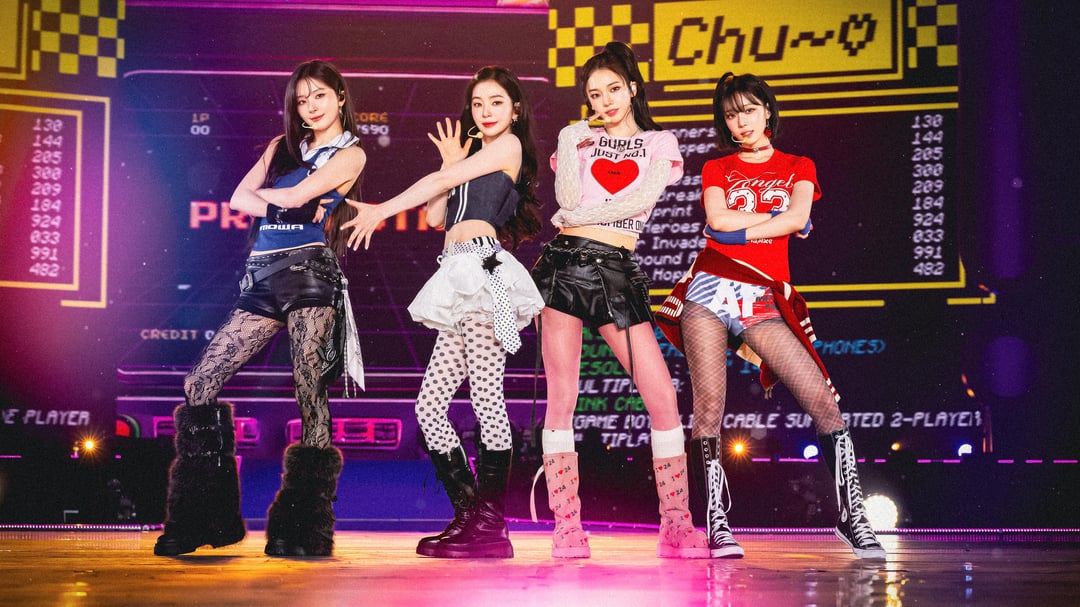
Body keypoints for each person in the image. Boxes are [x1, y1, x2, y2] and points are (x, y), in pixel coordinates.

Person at [655, 72, 887, 560]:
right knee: (709, 407)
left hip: (762, 297)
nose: (740, 121)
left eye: (748, 110)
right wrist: (775, 224)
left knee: (823, 401)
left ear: (767, 110)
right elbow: (719, 221)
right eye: (730, 114)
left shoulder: (799, 164)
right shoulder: (717, 166)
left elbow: (792, 218)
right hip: (708, 289)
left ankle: (853, 518)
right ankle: (718, 524)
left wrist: (746, 230)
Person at [154, 60, 366, 558]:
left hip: (310, 274)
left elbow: (294, 195)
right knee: (200, 382)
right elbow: (237, 198)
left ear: (339, 96)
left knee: (309, 388)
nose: (310, 107)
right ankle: (203, 519)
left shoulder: (350, 153)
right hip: (263, 277)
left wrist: (276, 200)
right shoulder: (280, 147)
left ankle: (304, 530)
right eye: (301, 100)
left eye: (319, 96)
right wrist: (285, 204)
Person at [341, 66, 544, 558]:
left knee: (486, 398)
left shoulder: (509, 146)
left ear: (515, 110)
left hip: (484, 273)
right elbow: (436, 216)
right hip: (458, 273)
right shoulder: (473, 158)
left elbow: (444, 181)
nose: (486, 112)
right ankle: (473, 516)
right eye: (478, 104)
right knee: (429, 407)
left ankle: (490, 525)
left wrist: (381, 209)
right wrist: (452, 162)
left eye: (496, 102)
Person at [530, 41, 709, 559]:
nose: (604, 101)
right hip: (563, 266)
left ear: (632, 89)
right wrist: (569, 138)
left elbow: (640, 200)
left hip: (615, 269)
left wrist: (579, 216)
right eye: (594, 94)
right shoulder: (577, 138)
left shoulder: (659, 142)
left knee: (663, 399)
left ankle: (675, 525)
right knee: (562, 399)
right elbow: (566, 200)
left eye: (613, 89)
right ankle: (567, 527)